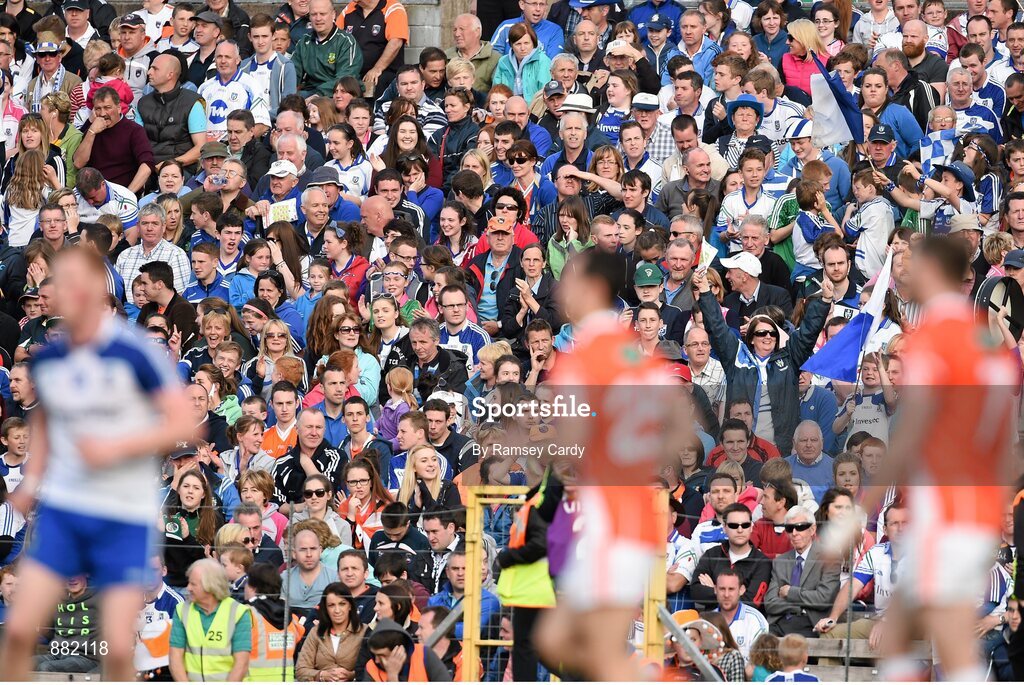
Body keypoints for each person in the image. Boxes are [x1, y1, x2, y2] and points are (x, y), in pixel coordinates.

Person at [0, 247, 193, 681]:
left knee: (119, 645)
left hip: (121, 507)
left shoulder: (134, 351)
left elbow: (182, 423)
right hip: (66, 507)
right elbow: (46, 425)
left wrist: (116, 447)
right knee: (17, 630)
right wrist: (31, 481)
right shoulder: (49, 358)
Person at [168, 559, 253, 681]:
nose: (188, 588)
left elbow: (241, 664)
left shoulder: (239, 613)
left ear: (210, 586)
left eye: (193, 584)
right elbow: (175, 658)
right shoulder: (181, 610)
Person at [764, 506, 840, 637]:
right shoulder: (780, 561)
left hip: (810, 625)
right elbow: (770, 603)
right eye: (789, 528)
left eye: (800, 527)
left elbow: (823, 598)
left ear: (812, 529)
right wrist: (799, 607)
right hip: (779, 624)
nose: (794, 533)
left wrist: (790, 592)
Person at [73, 86, 154, 193]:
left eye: (107, 108)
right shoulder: (91, 130)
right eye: (98, 109)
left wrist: (127, 194)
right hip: (93, 195)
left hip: (121, 193)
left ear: (119, 108)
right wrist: (91, 132)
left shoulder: (134, 130)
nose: (102, 114)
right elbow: (78, 163)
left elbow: (147, 165)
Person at [137, 53, 206, 168]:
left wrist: (169, 165)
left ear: (170, 75)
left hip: (180, 169)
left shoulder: (192, 102)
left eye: (155, 69)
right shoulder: (143, 103)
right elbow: (137, 143)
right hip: (147, 166)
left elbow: (201, 147)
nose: (149, 72)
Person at [295, 583, 369, 681]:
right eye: (331, 605)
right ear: (325, 608)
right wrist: (322, 675)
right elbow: (300, 670)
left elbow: (371, 669)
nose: (337, 610)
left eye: (342, 604)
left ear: (350, 606)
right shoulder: (316, 632)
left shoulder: (364, 631)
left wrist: (352, 675)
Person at [291, 0, 362, 97]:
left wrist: (318, 95)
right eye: (314, 14)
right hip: (308, 93)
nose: (318, 18)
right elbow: (292, 73)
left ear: (333, 15)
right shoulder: (304, 42)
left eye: (323, 14)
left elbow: (345, 78)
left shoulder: (346, 42)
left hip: (335, 96)